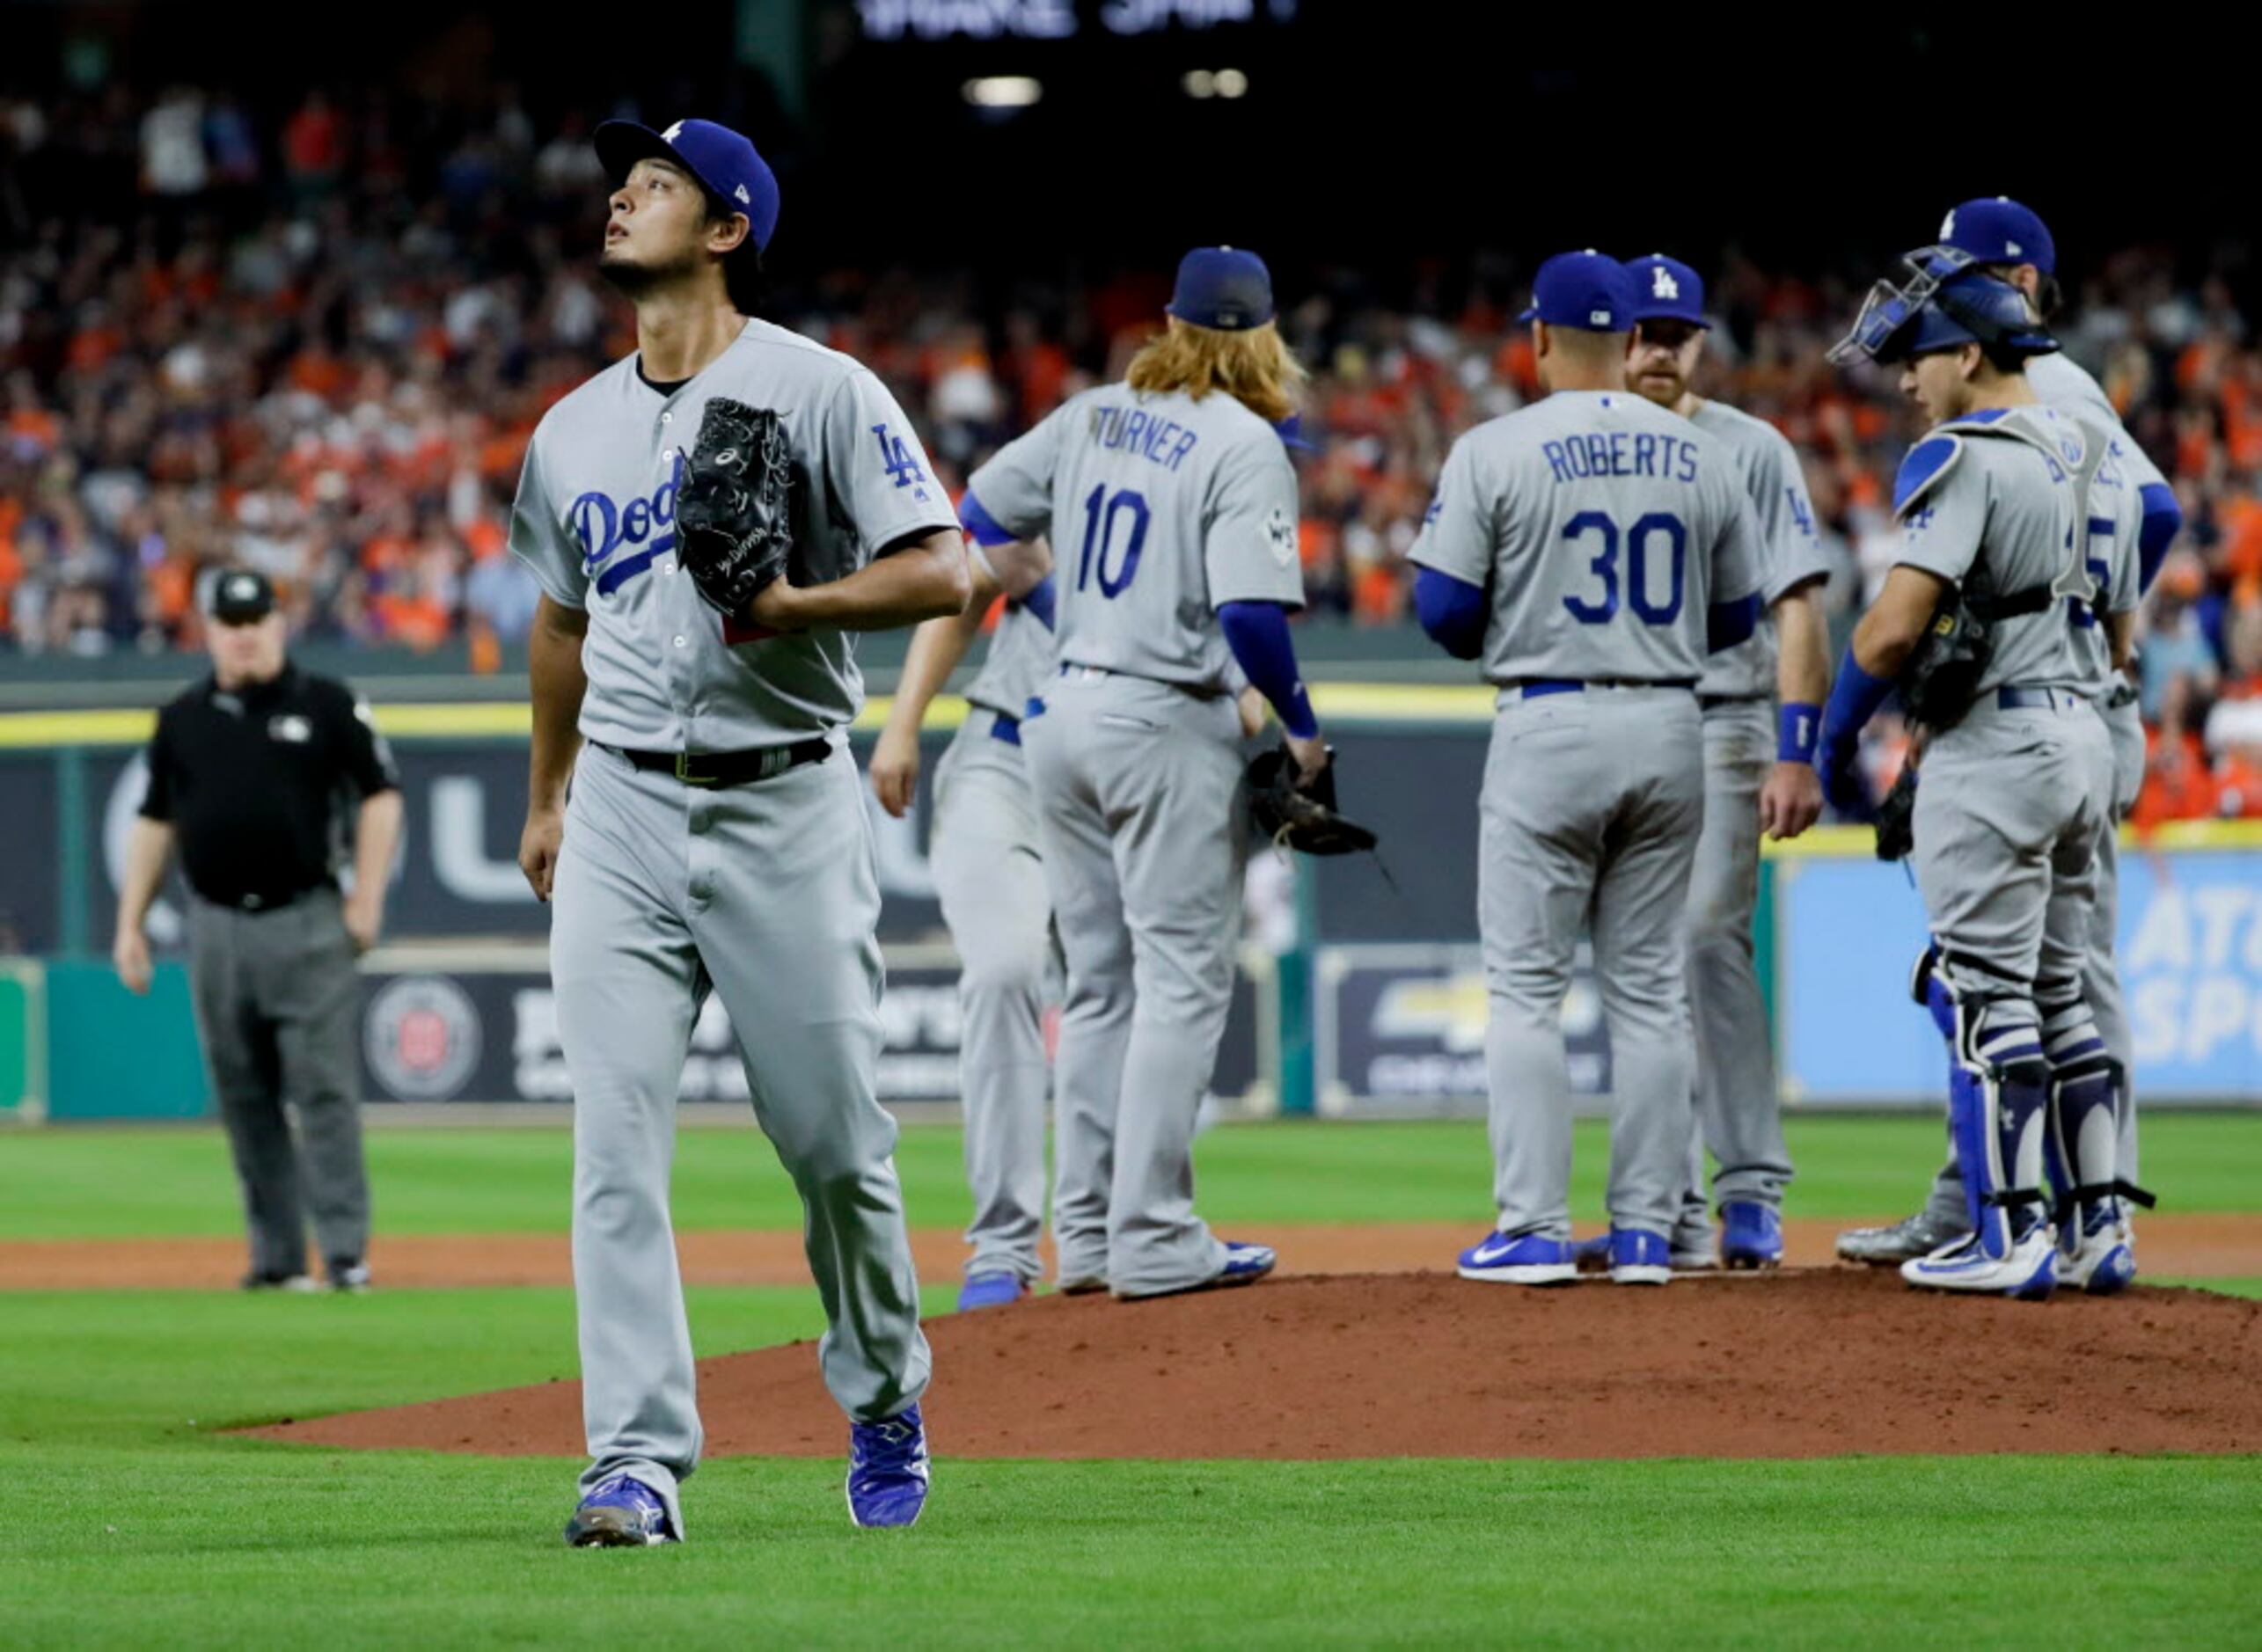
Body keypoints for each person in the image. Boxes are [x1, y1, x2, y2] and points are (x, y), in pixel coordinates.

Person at [508, 117, 969, 1546]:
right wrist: (546, 791)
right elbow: (559, 620)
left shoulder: (818, 389)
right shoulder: (568, 427)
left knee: (832, 1141)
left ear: (726, 228)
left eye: (657, 180)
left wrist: (794, 611)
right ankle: (633, 1461)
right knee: (614, 1138)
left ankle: (884, 1388)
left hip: (785, 791)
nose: (621, 192)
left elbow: (943, 565)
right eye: (619, 178)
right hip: (627, 806)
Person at [955, 245, 1317, 1301]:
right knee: (1184, 979)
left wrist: (1088, 614)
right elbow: (1251, 614)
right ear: (1259, 338)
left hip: (1059, 712)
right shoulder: (1248, 442)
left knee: (1099, 983)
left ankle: (1092, 1238)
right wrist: (1301, 730)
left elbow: (978, 519)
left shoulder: (1091, 413)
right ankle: (1154, 1230)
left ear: (1169, 322)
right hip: (1162, 717)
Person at [1835, 199, 2181, 1276]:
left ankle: (2011, 1235)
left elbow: (1893, 631)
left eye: (1920, 357)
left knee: (1988, 998)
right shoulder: (2099, 444)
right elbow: (2125, 617)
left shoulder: (1972, 447)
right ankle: (2100, 1230)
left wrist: (1834, 734)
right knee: (2065, 988)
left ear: (1972, 348)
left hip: (1999, 744)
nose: (1906, 379)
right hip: (2086, 730)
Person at [1409, 250, 1761, 1287]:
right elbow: (1736, 612)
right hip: (1669, 721)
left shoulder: (1496, 446)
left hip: (1550, 717)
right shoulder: (1702, 452)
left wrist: (1530, 604)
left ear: (1542, 339)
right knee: (1649, 992)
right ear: (1632, 344)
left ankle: (1532, 1227)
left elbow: (1443, 611)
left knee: (1526, 989)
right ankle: (1651, 1231)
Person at [1613, 253, 1831, 1272]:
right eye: (1643, 332)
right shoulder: (1578, 446)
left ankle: (1748, 1186)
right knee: (1635, 968)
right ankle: (1660, 1204)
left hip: (1724, 719)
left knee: (1706, 943)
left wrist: (1795, 749)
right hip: (1610, 719)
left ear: (1700, 342)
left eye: (1678, 335)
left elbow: (1799, 603)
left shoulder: (1752, 448)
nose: (1660, 350)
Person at [113, 567, 401, 1293]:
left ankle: (343, 1256)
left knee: (323, 1091)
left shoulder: (326, 704)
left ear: (279, 623)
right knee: (243, 1095)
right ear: (210, 630)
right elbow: (156, 821)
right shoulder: (182, 718)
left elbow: (380, 797)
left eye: (255, 619)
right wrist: (131, 922)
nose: (243, 635)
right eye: (230, 622)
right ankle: (275, 1260)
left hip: (306, 919)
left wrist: (366, 898)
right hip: (214, 926)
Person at [869, 567, 1060, 1310]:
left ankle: (1108, 1233)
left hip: (1127, 776)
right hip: (1005, 758)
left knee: (1118, 996)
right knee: (1005, 971)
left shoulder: (1223, 508)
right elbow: (968, 583)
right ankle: (1002, 1250)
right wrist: (902, 721)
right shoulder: (1052, 466)